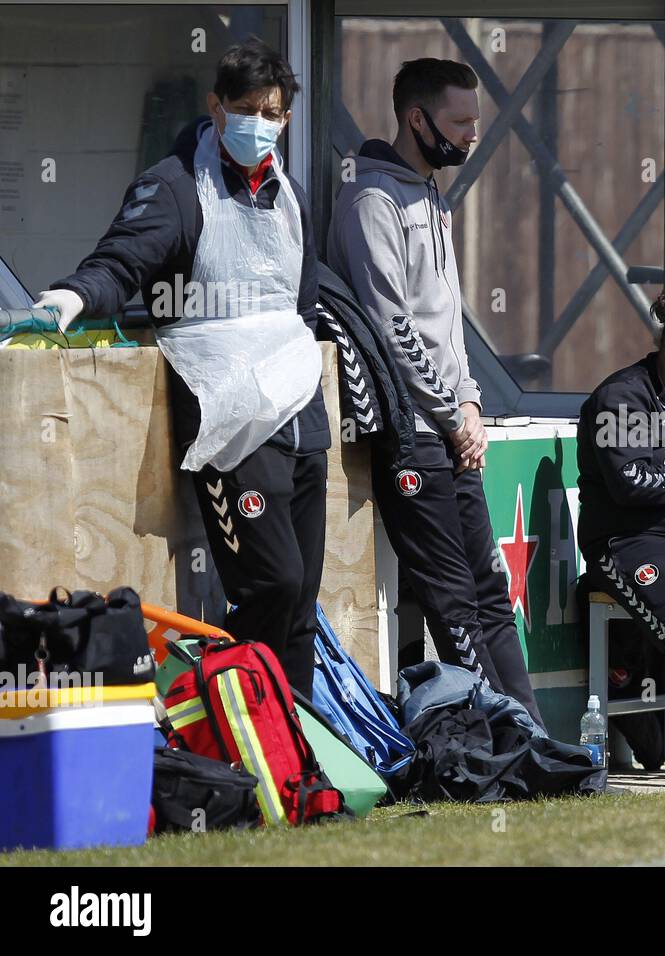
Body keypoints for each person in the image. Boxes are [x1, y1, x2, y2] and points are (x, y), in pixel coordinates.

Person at [34, 38, 327, 694]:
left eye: (274, 112)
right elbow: (122, 261)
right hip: (227, 419)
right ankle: (241, 741)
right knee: (270, 584)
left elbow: (301, 305)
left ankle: (297, 764)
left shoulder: (290, 196)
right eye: (247, 108)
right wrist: (74, 297)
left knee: (302, 599)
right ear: (215, 108)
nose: (262, 124)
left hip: (301, 418)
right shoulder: (172, 186)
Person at [328, 58, 543, 726]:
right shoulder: (371, 200)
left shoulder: (432, 196)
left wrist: (471, 403)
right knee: (452, 601)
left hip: (453, 429)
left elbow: (446, 326)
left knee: (489, 592)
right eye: (458, 122)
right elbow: (393, 326)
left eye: (475, 121)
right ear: (416, 119)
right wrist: (454, 415)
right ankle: (501, 738)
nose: (472, 135)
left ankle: (532, 734)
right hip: (414, 437)